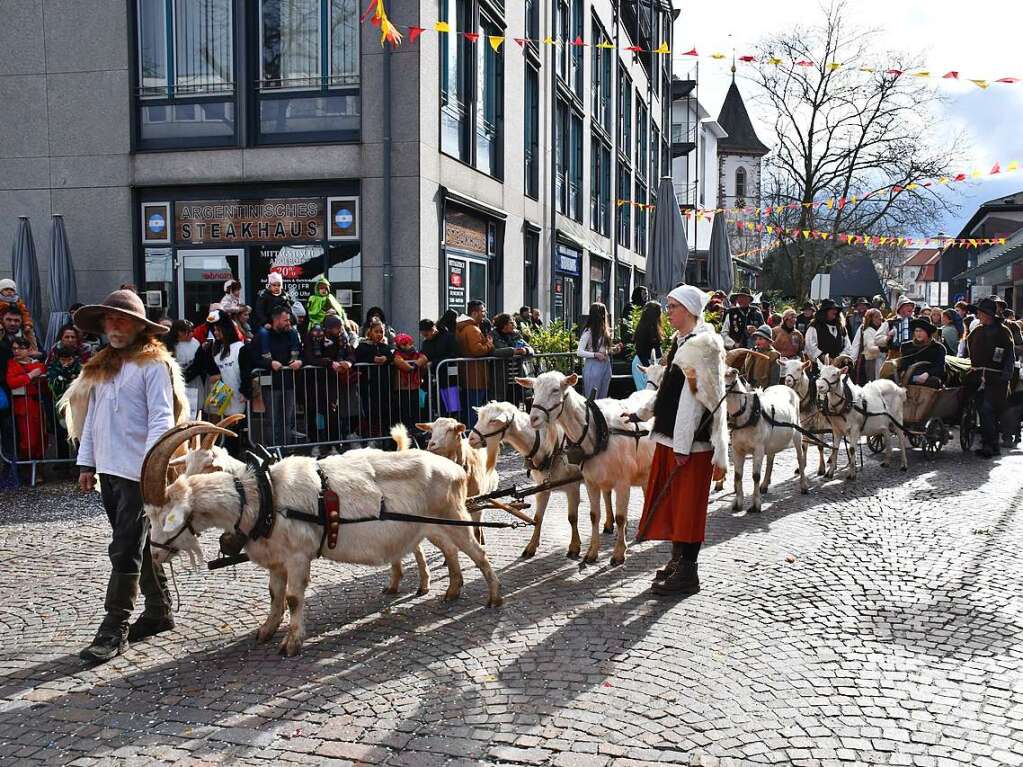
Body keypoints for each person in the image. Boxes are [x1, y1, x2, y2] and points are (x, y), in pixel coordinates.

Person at [67, 289, 185, 662]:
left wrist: (153, 471)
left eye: (122, 320)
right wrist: (87, 464)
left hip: (139, 472)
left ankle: (114, 626)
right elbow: (92, 423)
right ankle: (158, 610)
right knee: (136, 544)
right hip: (111, 471)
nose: (114, 326)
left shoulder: (155, 365)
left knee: (123, 548)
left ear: (138, 325)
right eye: (109, 320)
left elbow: (161, 421)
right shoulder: (102, 366)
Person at [635, 284, 727, 596]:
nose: (668, 311)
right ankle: (678, 561)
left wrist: (683, 447)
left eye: (673, 306)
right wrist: (643, 413)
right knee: (676, 506)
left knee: (689, 509)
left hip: (691, 445)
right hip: (674, 439)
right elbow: (668, 390)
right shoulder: (682, 341)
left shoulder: (702, 346)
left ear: (688, 311)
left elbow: (695, 402)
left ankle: (689, 573)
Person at [966, 297, 1015, 458]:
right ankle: (992, 444)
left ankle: (989, 444)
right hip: (978, 377)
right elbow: (969, 350)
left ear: (989, 314)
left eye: (980, 312)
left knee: (989, 410)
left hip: (997, 379)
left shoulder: (1003, 331)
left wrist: (1006, 376)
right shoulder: (976, 331)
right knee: (983, 410)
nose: (978, 315)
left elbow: (1009, 356)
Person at [305, 315, 357, 443]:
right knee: (315, 411)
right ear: (327, 329)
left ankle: (333, 443)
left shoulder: (342, 337)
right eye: (336, 328)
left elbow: (350, 354)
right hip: (314, 380)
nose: (339, 330)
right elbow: (310, 357)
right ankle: (315, 443)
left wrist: (348, 362)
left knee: (332, 411)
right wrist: (329, 362)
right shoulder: (313, 336)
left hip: (333, 381)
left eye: (340, 327)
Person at [258, 305, 303, 446]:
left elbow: (302, 353)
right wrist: (269, 364)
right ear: (276, 320)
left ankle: (286, 448)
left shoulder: (291, 334)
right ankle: (272, 449)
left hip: (288, 383)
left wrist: (300, 362)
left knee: (287, 419)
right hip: (270, 384)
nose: (288, 323)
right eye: (285, 320)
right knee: (272, 419)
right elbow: (254, 358)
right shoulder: (264, 334)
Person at [5, 336, 48, 466]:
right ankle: (28, 467)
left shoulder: (37, 364)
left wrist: (27, 375)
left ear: (29, 350)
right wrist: (30, 375)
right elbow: (12, 382)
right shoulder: (11, 364)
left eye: (20, 348)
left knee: (41, 437)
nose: (16, 351)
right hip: (22, 405)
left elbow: (42, 372)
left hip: (36, 403)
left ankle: (39, 467)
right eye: (14, 348)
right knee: (28, 440)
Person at [455, 300, 494, 427]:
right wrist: (489, 344)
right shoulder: (472, 329)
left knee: (469, 406)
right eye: (483, 311)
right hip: (476, 375)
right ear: (475, 312)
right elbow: (477, 350)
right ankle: (474, 435)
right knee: (475, 408)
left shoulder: (463, 327)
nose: (485, 314)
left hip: (469, 374)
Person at [354, 318, 394, 439]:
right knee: (370, 412)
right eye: (376, 331)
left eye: (381, 332)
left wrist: (386, 359)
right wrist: (372, 359)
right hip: (368, 386)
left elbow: (392, 355)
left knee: (385, 412)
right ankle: (369, 437)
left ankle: (384, 438)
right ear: (370, 331)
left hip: (383, 386)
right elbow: (358, 356)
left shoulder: (385, 347)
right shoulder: (362, 346)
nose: (379, 334)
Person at [577, 302, 621, 400]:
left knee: (602, 398)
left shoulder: (603, 330)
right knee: (592, 398)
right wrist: (595, 355)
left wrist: (613, 350)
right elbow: (579, 351)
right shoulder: (588, 331)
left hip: (605, 365)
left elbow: (603, 349)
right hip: (593, 365)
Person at [46, 342, 82, 461]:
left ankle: (81, 461)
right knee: (62, 434)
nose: (66, 362)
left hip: (78, 405)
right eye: (63, 360)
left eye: (69, 359)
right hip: (60, 406)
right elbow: (53, 385)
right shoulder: (53, 368)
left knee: (79, 434)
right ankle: (63, 463)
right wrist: (65, 377)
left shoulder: (80, 368)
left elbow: (82, 384)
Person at [421, 312, 461, 417]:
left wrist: (434, 362)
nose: (426, 337)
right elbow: (424, 354)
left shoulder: (448, 337)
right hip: (433, 379)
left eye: (427, 334)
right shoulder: (426, 343)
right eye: (423, 335)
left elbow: (454, 354)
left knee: (452, 408)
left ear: (433, 329)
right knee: (437, 405)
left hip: (449, 376)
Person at [392, 332, 427, 444]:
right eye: (404, 344)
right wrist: (412, 367)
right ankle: (405, 440)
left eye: (409, 343)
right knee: (404, 415)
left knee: (416, 414)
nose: (408, 346)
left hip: (414, 387)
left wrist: (415, 364)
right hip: (402, 389)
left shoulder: (416, 353)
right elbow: (400, 362)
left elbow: (424, 358)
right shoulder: (396, 354)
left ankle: (419, 439)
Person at [492, 313, 534, 404]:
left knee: (517, 405)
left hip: (518, 377)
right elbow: (494, 352)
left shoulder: (516, 334)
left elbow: (531, 349)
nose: (514, 324)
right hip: (503, 379)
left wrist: (525, 350)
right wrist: (513, 351)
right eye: (511, 322)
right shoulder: (494, 335)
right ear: (504, 324)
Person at [898, 318, 945, 389]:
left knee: (934, 382)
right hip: (909, 376)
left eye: (921, 331)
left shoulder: (937, 347)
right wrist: (903, 371)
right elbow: (904, 363)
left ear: (927, 332)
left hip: (927, 376)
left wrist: (927, 374)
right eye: (916, 331)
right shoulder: (906, 346)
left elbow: (939, 367)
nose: (918, 334)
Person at [804, 299, 851, 363]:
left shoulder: (841, 328)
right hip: (820, 367)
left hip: (838, 367)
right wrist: (825, 358)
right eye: (832, 309)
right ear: (825, 311)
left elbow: (847, 346)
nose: (835, 311)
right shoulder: (814, 327)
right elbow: (810, 347)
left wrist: (840, 359)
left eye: (836, 309)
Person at [632, 301, 664, 390]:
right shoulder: (642, 329)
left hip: (652, 365)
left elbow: (657, 348)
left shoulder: (654, 327)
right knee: (645, 394)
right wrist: (650, 369)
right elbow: (641, 352)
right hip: (642, 364)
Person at [0, 278, 38, 352]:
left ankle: (34, 349)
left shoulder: (18, 302)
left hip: (26, 358)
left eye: (12, 290)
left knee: (29, 332)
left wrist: (27, 324)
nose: (9, 292)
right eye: (6, 289)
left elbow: (25, 314)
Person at [849, 308, 884, 384]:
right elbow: (858, 345)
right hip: (869, 361)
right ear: (870, 319)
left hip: (880, 361)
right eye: (876, 317)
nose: (880, 318)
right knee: (871, 384)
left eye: (880, 316)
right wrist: (852, 360)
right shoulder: (867, 330)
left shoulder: (882, 329)